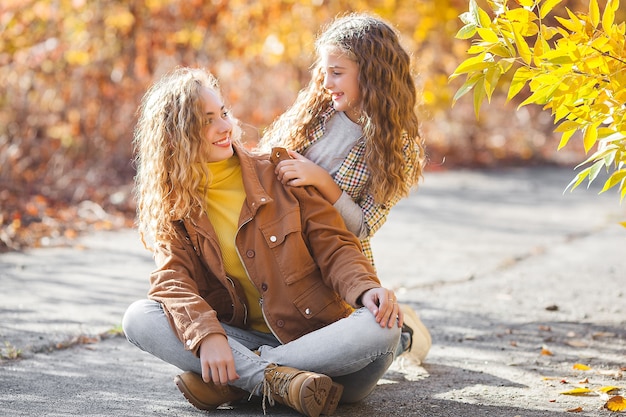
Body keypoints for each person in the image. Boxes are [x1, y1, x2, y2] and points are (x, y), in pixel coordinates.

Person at [122, 67, 403, 417]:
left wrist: (364, 290)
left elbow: (335, 245)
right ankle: (276, 383)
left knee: (383, 328)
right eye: (207, 120)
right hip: (246, 342)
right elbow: (172, 282)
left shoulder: (279, 172)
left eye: (223, 113)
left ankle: (242, 380)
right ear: (176, 135)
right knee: (139, 317)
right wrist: (207, 336)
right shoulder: (174, 206)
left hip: (322, 349)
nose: (225, 126)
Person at [258, 12, 430, 366]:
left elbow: (364, 225)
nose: (326, 82)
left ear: (371, 73)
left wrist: (320, 180)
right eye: (324, 71)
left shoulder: (397, 145)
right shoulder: (317, 111)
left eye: (337, 73)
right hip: (286, 242)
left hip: (337, 258)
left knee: (351, 346)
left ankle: (405, 335)